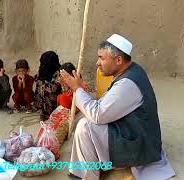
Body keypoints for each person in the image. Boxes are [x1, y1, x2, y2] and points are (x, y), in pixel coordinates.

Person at [60, 34, 175, 180]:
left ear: (119, 60)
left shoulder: (128, 83)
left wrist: (77, 89)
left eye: (102, 58)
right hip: (135, 132)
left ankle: (86, 175)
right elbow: (106, 104)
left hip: (138, 144)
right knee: (88, 118)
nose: (97, 63)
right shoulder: (133, 70)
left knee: (85, 126)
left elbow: (98, 114)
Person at [34, 51, 62, 121]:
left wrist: (43, 86)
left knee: (46, 92)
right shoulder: (42, 71)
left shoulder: (59, 73)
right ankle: (43, 112)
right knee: (40, 88)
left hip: (56, 99)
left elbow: (53, 89)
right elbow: (37, 86)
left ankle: (51, 113)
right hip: (44, 100)